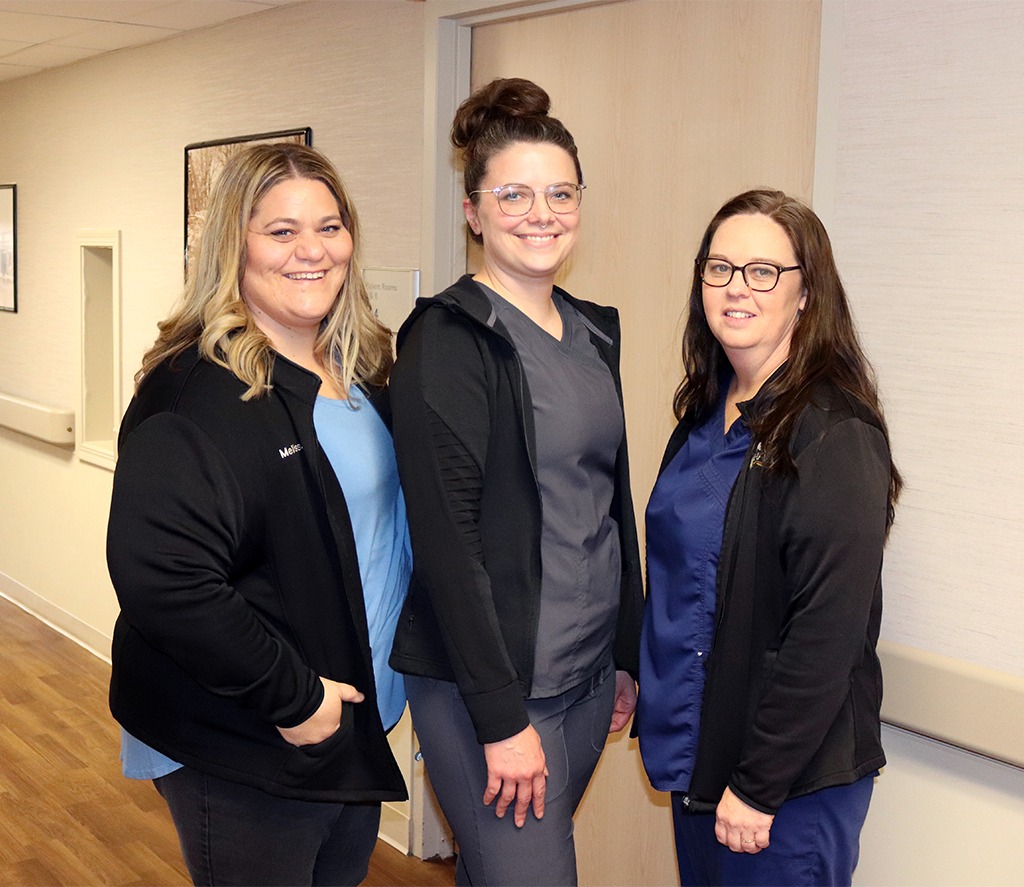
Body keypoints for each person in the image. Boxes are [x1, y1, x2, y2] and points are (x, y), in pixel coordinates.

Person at [106, 143, 411, 887]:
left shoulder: (364, 367)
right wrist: (294, 696)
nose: (312, 250)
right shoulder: (194, 390)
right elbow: (164, 578)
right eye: (280, 231)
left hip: (346, 723)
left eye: (330, 226)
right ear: (232, 248)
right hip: (252, 733)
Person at [388, 77, 643, 886]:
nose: (542, 212)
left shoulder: (594, 328)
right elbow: (446, 540)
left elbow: (607, 502)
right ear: (473, 211)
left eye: (560, 192)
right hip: (488, 691)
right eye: (515, 193)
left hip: (585, 677)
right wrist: (499, 719)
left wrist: (627, 653)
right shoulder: (448, 337)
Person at [637, 189, 901, 886]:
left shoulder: (833, 431)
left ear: (806, 292)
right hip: (699, 760)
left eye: (763, 271)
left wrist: (760, 783)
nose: (735, 288)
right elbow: (678, 581)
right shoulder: (701, 418)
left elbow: (826, 632)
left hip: (783, 788)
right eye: (719, 268)